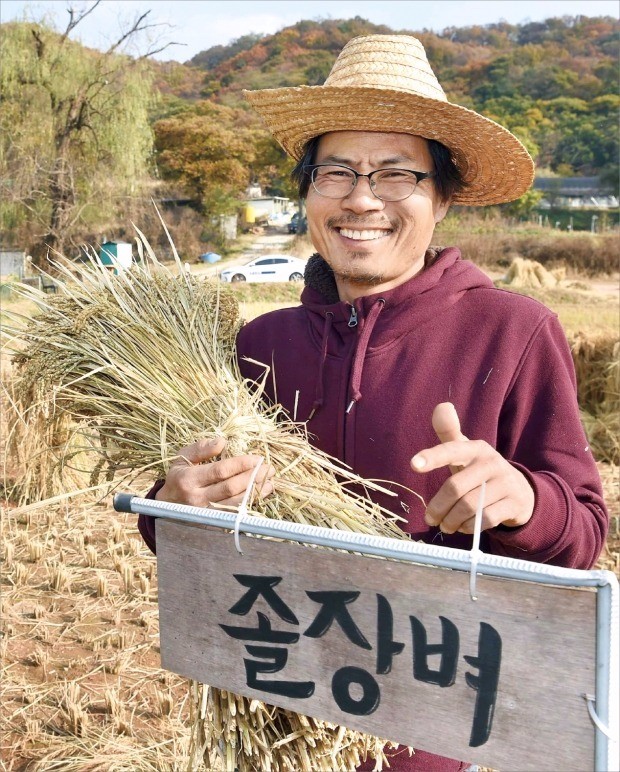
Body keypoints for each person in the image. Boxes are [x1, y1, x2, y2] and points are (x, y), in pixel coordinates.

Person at [138, 35, 609, 771]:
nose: (362, 198)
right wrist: (173, 508)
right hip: (280, 731)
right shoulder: (259, 345)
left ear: (443, 197)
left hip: (452, 741)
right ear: (306, 191)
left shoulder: (514, 332)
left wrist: (521, 499)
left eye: (396, 174)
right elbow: (192, 540)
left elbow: (582, 535)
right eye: (337, 172)